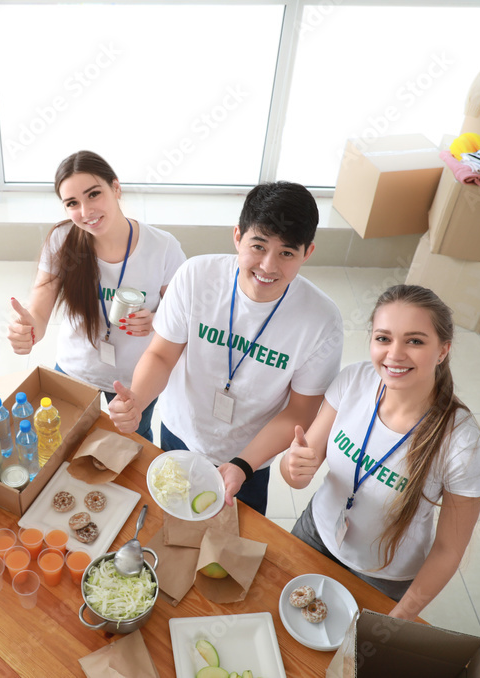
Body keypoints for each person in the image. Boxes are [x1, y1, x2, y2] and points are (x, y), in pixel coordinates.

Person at [108, 181, 343, 515]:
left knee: (228, 548)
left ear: (307, 253)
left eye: (287, 253)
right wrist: (138, 400)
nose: (268, 266)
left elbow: (300, 411)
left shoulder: (321, 321)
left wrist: (243, 465)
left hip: (249, 456)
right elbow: (162, 354)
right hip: (180, 429)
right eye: (258, 246)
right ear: (237, 236)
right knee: (168, 521)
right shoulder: (195, 276)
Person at [283, 284, 480, 619]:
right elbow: (298, 471)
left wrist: (402, 615)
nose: (395, 354)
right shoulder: (354, 380)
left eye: (415, 341)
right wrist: (292, 467)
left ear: (443, 350)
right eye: (383, 338)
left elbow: (448, 549)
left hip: (383, 575)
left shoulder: (464, 446)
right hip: (316, 532)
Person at [8, 151, 186, 441]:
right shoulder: (61, 241)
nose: (86, 211)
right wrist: (28, 331)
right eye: (72, 203)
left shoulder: (163, 247)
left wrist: (155, 319)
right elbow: (39, 312)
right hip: (76, 368)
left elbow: (181, 314)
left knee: (131, 444)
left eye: (93, 194)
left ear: (115, 188)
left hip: (136, 378)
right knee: (63, 442)